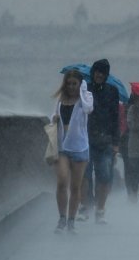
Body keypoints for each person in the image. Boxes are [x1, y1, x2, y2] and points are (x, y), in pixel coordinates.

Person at [78, 58, 120, 224]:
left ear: (106, 74)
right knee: (84, 176)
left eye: (102, 73)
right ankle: (85, 206)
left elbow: (115, 117)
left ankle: (100, 209)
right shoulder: (84, 89)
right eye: (97, 72)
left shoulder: (112, 91)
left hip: (105, 140)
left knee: (104, 177)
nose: (99, 75)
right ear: (93, 73)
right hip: (85, 139)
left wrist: (116, 141)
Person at [51, 70, 93, 234]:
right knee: (62, 182)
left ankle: (71, 221)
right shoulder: (60, 99)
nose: (70, 87)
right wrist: (54, 118)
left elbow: (89, 109)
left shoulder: (86, 97)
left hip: (80, 147)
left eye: (74, 83)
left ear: (80, 84)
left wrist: (83, 90)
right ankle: (62, 218)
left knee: (75, 187)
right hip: (62, 147)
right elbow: (53, 115)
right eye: (68, 83)